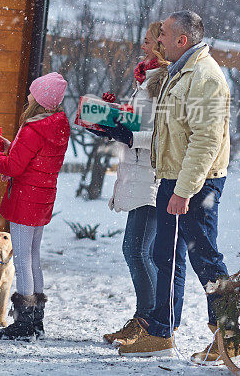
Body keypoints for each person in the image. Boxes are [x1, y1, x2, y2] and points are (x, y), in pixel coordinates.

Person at [118, 11, 238, 361]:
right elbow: (172, 128)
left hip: (198, 182)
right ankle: (160, 333)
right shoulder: (180, 71)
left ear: (182, 40)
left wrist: (184, 191)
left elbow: (205, 140)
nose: (158, 42)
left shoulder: (205, 76)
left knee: (205, 258)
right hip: (174, 176)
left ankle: (229, 335)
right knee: (164, 255)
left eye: (164, 36)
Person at [87, 22, 169, 346]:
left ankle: (146, 323)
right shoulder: (144, 80)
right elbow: (139, 122)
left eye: (149, 41)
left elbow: (163, 134)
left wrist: (127, 133)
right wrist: (113, 118)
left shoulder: (163, 83)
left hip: (150, 177)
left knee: (136, 250)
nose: (143, 45)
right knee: (137, 250)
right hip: (136, 174)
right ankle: (142, 320)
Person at [0, 72, 70, 339]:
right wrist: (11, 146)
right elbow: (33, 158)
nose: (28, 96)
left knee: (21, 259)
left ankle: (24, 324)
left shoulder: (33, 128)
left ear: (40, 99)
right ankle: (37, 322)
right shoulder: (58, 124)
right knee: (33, 257)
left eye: (32, 92)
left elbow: (13, 167)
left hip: (25, 199)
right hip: (42, 197)